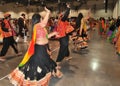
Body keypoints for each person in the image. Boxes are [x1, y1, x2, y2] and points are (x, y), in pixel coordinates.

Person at [8, 7, 63, 86]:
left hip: (43, 48)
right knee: (39, 65)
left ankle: (54, 71)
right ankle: (38, 81)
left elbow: (46, 37)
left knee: (46, 62)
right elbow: (44, 23)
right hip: (39, 50)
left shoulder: (42, 28)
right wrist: (48, 12)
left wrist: (53, 34)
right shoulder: (37, 26)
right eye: (41, 18)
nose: (42, 19)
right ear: (39, 19)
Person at [56, 3, 72, 68]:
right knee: (63, 48)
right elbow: (66, 15)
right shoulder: (62, 20)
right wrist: (68, 8)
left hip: (64, 36)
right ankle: (57, 62)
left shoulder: (63, 21)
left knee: (66, 46)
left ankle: (67, 56)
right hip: (63, 37)